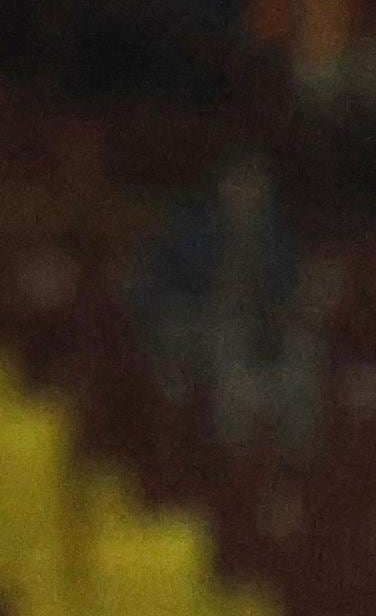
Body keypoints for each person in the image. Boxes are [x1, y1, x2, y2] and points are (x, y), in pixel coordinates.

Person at [128, 152, 318, 462]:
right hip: (193, 327)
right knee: (228, 340)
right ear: (222, 187)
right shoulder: (189, 231)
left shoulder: (275, 236)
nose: (248, 194)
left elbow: (287, 295)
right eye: (239, 185)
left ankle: (299, 459)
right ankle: (233, 454)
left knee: (302, 349)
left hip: (255, 330)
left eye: (256, 186)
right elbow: (149, 291)